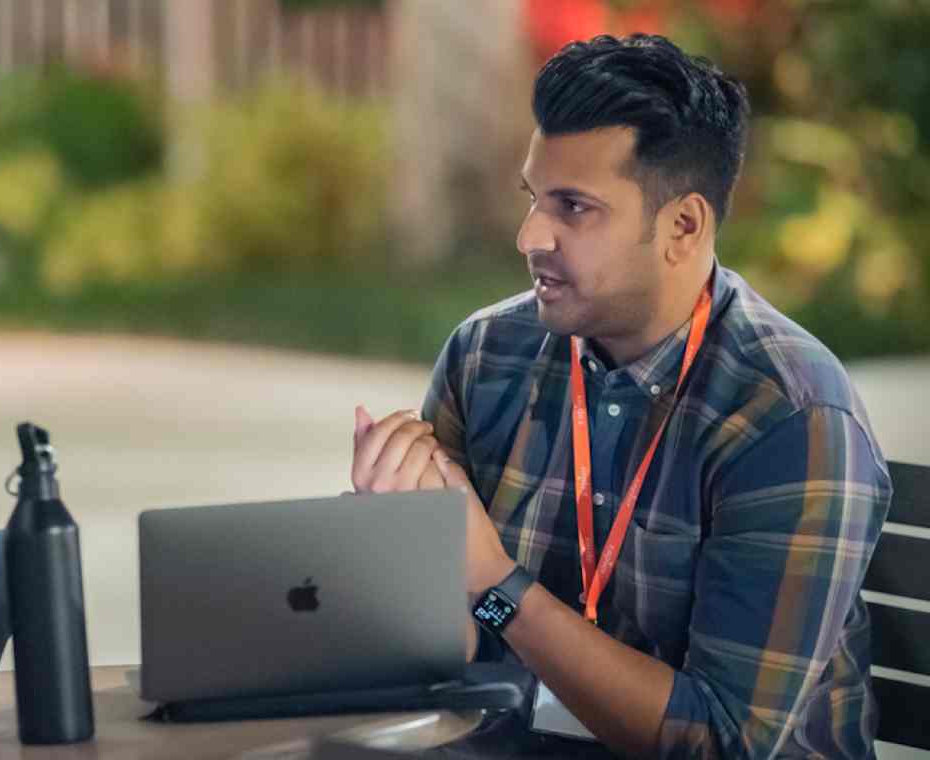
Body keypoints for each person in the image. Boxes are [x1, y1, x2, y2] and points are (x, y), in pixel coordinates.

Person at [350, 35, 889, 759]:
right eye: (533, 198)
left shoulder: (787, 414)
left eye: (573, 207)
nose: (529, 236)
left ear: (683, 226)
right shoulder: (485, 357)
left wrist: (494, 582)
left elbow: (719, 743)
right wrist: (402, 546)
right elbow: (439, 646)